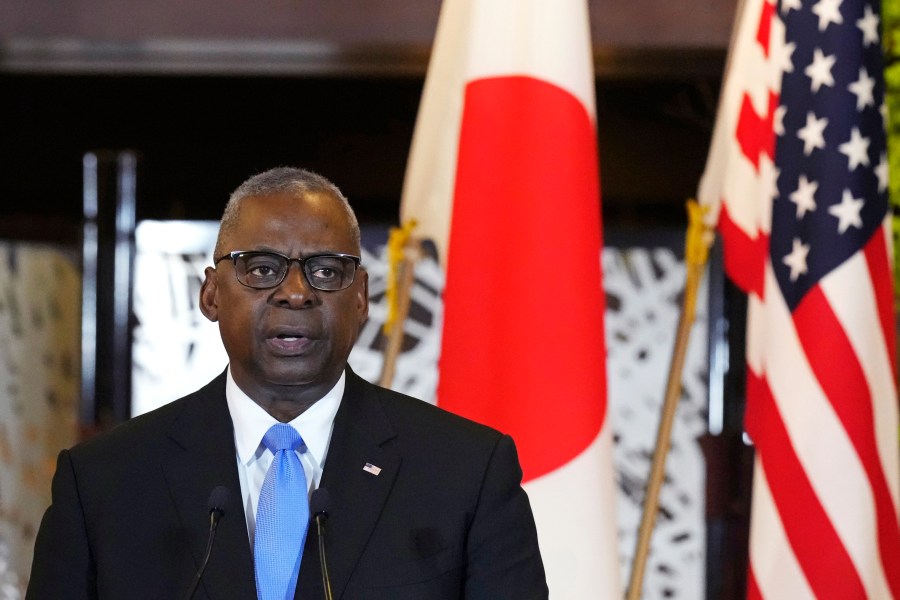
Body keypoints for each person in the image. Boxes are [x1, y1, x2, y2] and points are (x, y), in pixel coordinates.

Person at [26, 167, 548, 599]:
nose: (295, 293)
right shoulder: (103, 483)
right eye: (261, 268)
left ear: (361, 296)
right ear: (210, 294)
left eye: (325, 271)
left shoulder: (466, 473)